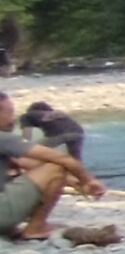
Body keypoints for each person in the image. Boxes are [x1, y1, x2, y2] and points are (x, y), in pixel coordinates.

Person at [0, 92, 103, 240]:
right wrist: (88, 181)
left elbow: (26, 164)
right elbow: (63, 160)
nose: (13, 118)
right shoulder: (3, 139)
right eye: (9, 112)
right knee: (57, 166)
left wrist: (74, 182)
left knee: (46, 169)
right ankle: (35, 227)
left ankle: (11, 227)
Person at [15, 100, 81, 162]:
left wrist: (24, 147)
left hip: (59, 134)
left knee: (34, 149)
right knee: (75, 159)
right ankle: (77, 173)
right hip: (78, 132)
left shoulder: (26, 116)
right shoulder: (54, 113)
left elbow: (26, 133)